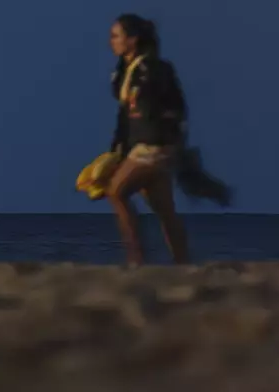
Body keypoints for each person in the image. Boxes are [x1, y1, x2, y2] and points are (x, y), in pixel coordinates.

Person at [107, 13, 231, 267]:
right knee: (164, 209)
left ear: (133, 39)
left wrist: (170, 138)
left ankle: (136, 259)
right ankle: (183, 263)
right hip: (140, 147)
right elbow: (125, 117)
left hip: (155, 147)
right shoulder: (123, 72)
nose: (112, 41)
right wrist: (116, 151)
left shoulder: (155, 69)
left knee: (116, 192)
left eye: (116, 36)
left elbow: (176, 108)